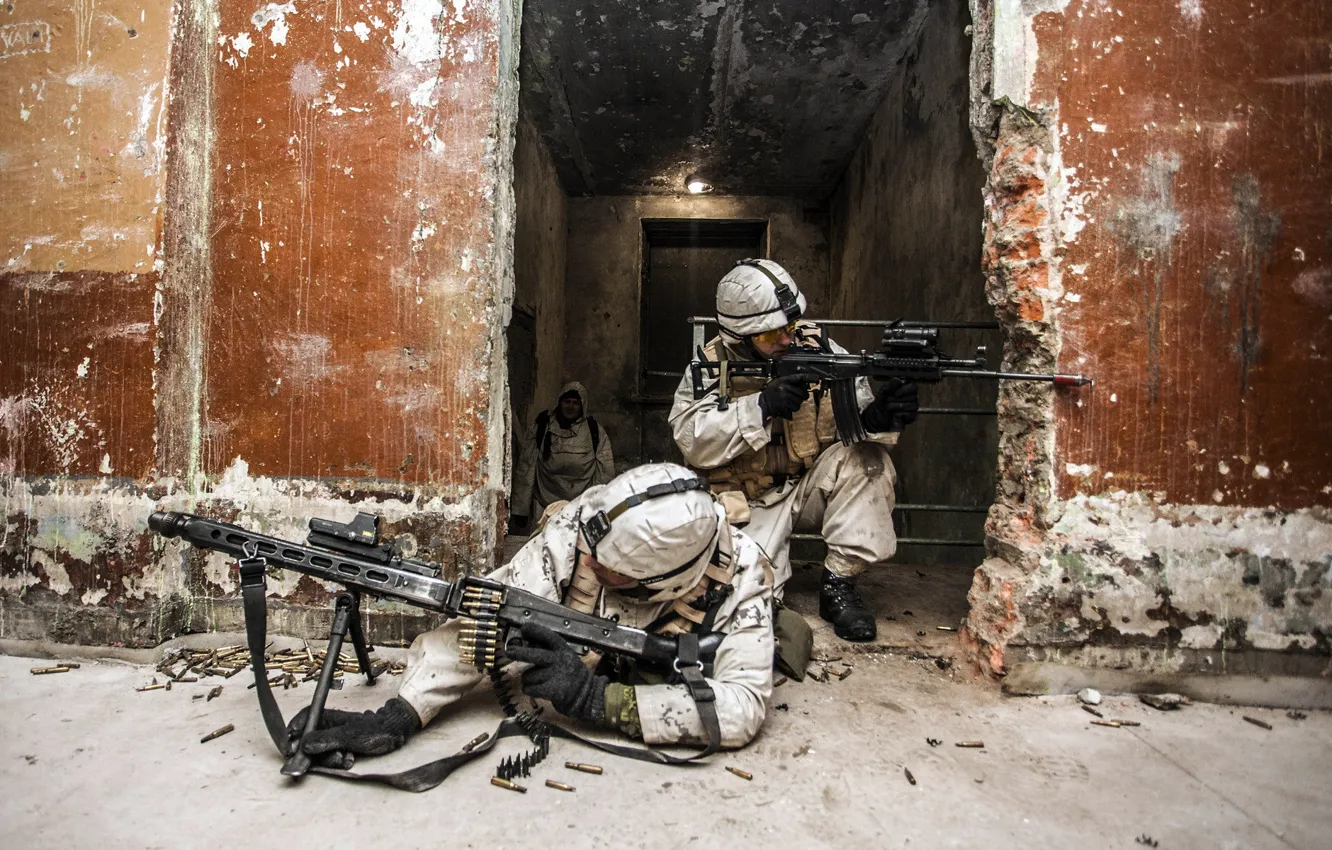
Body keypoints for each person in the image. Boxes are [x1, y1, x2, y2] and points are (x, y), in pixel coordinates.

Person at [285, 463, 775, 766]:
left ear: (662, 584)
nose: (586, 563)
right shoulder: (586, 520)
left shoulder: (746, 575)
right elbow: (495, 610)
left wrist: (600, 701)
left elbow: (742, 708)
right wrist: (405, 711)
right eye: (589, 552)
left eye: (608, 570)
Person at [669, 259, 918, 643]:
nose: (786, 340)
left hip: (809, 486)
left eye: (789, 326)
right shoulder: (709, 367)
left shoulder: (817, 345)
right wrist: (760, 407)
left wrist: (878, 415)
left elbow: (855, 406)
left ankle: (839, 584)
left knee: (869, 462)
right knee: (747, 606)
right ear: (740, 336)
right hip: (746, 503)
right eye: (771, 335)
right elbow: (692, 438)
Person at [510, 382, 615, 532]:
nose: (570, 407)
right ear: (559, 403)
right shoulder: (542, 427)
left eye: (575, 403)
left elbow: (605, 471)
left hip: (581, 505)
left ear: (582, 406)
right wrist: (520, 509)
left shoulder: (594, 431)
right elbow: (526, 467)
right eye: (567, 402)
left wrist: (599, 505)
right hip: (544, 504)